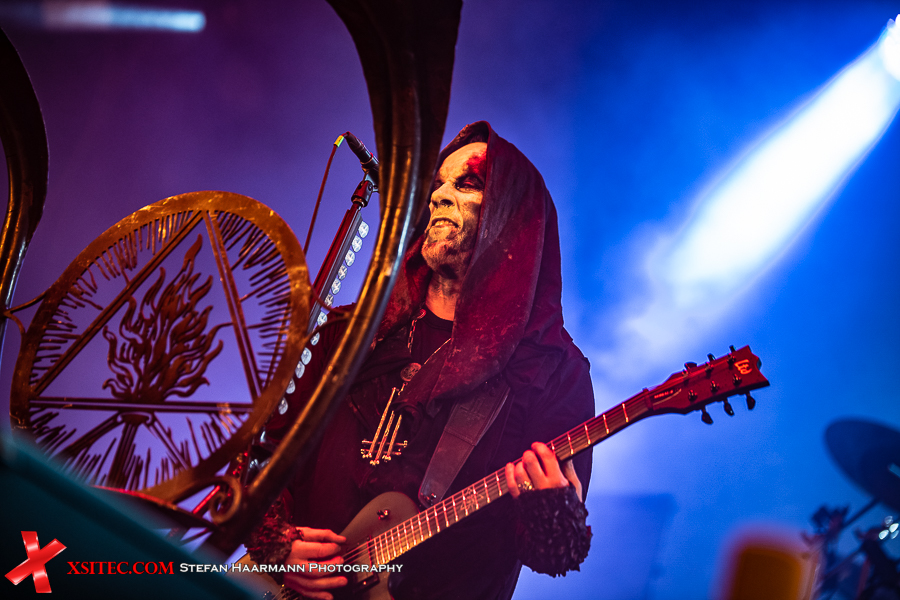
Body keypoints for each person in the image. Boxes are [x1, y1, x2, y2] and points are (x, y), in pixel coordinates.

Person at [248, 121, 594, 600]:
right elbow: (262, 460)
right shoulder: (352, 333)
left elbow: (554, 554)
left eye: (467, 183)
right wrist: (276, 546)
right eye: (438, 184)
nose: (439, 196)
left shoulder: (550, 370)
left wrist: (552, 512)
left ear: (513, 217)